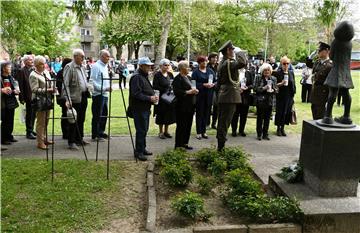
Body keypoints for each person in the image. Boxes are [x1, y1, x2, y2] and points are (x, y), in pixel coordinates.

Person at [216, 40, 247, 151]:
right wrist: (240, 52)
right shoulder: (228, 63)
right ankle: (221, 147)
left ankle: (221, 143)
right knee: (224, 123)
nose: (234, 51)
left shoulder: (223, 62)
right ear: (228, 50)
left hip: (225, 94)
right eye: (233, 49)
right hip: (229, 96)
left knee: (223, 122)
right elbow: (243, 63)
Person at [323, 21, 354, 125]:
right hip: (346, 72)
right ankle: (347, 116)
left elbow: (331, 56)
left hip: (336, 70)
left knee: (332, 93)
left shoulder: (336, 42)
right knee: (346, 93)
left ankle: (327, 116)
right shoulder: (349, 43)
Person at [129, 57, 158, 161]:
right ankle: (139, 152)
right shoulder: (137, 77)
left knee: (144, 129)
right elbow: (136, 94)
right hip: (139, 108)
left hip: (145, 107)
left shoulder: (143, 75)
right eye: (147, 65)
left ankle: (142, 148)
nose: (149, 67)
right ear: (141, 66)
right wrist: (149, 97)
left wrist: (152, 95)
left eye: (150, 65)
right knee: (141, 130)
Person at [63, 49, 91, 150]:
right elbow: (65, 84)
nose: (83, 58)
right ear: (75, 56)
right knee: (73, 119)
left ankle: (80, 138)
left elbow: (85, 80)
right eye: (81, 56)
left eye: (83, 57)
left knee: (81, 119)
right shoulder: (69, 67)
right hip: (74, 98)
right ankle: (71, 141)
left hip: (83, 96)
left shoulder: (82, 67)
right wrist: (68, 99)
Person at [29, 55, 56, 150]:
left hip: (47, 99)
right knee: (41, 121)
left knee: (46, 120)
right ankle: (40, 142)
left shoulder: (46, 72)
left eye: (44, 63)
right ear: (36, 65)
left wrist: (53, 88)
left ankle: (44, 138)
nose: (44, 65)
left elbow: (50, 82)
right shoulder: (33, 75)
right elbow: (34, 89)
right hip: (39, 101)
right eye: (41, 64)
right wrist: (48, 89)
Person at [173, 61, 199, 150]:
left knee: (188, 125)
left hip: (190, 105)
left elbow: (192, 87)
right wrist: (188, 92)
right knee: (181, 125)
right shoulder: (177, 79)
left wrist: (195, 90)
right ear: (182, 68)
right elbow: (177, 92)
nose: (189, 69)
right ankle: (178, 145)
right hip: (181, 106)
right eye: (187, 67)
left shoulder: (189, 77)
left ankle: (185, 143)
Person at [90, 50, 112, 141]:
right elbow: (92, 81)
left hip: (105, 94)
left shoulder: (105, 66)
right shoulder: (96, 66)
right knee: (97, 115)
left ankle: (101, 132)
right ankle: (95, 134)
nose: (109, 58)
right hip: (98, 94)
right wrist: (104, 88)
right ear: (102, 56)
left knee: (104, 114)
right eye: (107, 56)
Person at [191, 56, 215, 139]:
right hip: (199, 95)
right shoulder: (195, 72)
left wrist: (213, 84)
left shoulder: (210, 71)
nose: (204, 63)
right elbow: (193, 84)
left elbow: (215, 81)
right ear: (199, 63)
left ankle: (204, 131)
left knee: (206, 113)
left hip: (209, 95)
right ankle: (198, 132)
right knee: (199, 113)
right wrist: (203, 85)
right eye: (202, 61)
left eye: (205, 61)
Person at [253, 63, 278, 140]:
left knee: (267, 119)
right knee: (260, 118)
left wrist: (273, 90)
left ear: (270, 71)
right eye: (265, 70)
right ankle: (259, 134)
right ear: (262, 71)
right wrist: (264, 88)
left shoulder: (273, 78)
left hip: (270, 101)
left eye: (268, 70)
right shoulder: (258, 77)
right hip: (261, 101)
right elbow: (255, 88)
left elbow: (277, 89)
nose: (267, 72)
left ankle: (265, 134)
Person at [308, 42, 332, 120]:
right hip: (315, 93)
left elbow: (331, 84)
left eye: (321, 50)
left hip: (323, 95)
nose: (318, 52)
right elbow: (309, 64)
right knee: (315, 115)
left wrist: (329, 98)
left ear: (327, 51)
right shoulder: (317, 62)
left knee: (322, 118)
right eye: (318, 50)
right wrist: (310, 57)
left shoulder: (330, 65)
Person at [152, 58, 176, 139]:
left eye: (168, 65)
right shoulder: (157, 75)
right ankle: (161, 132)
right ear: (161, 66)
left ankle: (166, 131)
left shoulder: (170, 74)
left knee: (168, 115)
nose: (167, 67)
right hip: (161, 98)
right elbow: (155, 86)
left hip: (169, 98)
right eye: (165, 65)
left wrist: (172, 89)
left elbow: (173, 84)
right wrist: (165, 89)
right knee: (161, 115)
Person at [16, 55, 37, 139]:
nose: (32, 61)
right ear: (25, 62)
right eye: (29, 60)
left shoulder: (33, 70)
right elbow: (20, 85)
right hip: (28, 96)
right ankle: (28, 132)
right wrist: (22, 98)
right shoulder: (21, 71)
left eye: (32, 60)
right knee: (29, 114)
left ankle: (31, 129)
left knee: (33, 114)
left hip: (34, 95)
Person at [274, 56, 296, 137]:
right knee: (279, 112)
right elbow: (274, 85)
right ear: (281, 64)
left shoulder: (291, 73)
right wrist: (281, 84)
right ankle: (278, 128)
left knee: (286, 112)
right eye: (284, 63)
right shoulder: (277, 73)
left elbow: (293, 84)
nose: (286, 65)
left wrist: (293, 94)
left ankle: (283, 128)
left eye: (287, 63)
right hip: (280, 95)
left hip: (288, 96)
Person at [1, 61, 20, 145]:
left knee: (10, 120)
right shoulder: (1, 78)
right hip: (3, 102)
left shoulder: (10, 77)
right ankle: (3, 138)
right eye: (9, 67)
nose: (10, 68)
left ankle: (9, 136)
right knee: (5, 121)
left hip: (11, 101)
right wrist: (2, 90)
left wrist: (16, 90)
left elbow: (15, 85)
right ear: (3, 68)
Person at [231, 68, 254, 137]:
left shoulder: (248, 73)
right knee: (235, 114)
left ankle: (241, 130)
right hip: (236, 96)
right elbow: (231, 83)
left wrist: (247, 87)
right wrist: (237, 89)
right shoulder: (234, 72)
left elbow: (252, 84)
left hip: (246, 97)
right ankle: (234, 130)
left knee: (244, 115)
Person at [55, 57, 72, 140]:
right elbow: (59, 86)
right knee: (65, 114)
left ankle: (68, 132)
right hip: (63, 96)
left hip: (66, 96)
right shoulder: (61, 73)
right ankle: (65, 133)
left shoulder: (64, 72)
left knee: (68, 114)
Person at [207, 52, 218, 129]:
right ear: (210, 58)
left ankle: (214, 123)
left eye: (216, 58)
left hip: (217, 89)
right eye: (213, 57)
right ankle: (207, 123)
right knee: (208, 106)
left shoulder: (219, 66)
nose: (215, 59)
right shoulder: (207, 67)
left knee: (216, 107)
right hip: (208, 89)